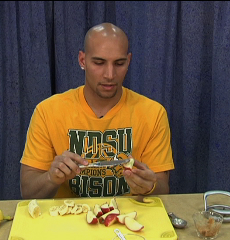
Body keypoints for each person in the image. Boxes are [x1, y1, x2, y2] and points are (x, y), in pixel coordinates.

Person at [20, 22, 174, 199]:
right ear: (82, 60)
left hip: (131, 221)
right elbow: (28, 192)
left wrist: (150, 186)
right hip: (66, 221)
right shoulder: (48, 111)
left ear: (129, 61)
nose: (109, 74)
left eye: (119, 63)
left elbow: (163, 189)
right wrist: (50, 177)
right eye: (99, 63)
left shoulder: (153, 113)